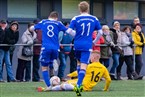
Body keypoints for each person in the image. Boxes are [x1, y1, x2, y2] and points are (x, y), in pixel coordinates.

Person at [66, 1, 103, 96]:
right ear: (88, 8)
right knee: (84, 65)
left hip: (77, 44)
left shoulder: (76, 18)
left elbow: (69, 30)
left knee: (78, 63)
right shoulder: (94, 18)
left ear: (79, 9)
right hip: (87, 45)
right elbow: (100, 32)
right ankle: (78, 87)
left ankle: (79, 82)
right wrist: (94, 42)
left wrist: (77, 35)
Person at [37, 50, 111, 94]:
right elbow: (109, 80)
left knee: (64, 85)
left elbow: (79, 72)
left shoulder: (89, 66)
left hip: (82, 85)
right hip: (88, 87)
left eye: (90, 57)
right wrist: (105, 88)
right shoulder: (103, 68)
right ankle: (50, 87)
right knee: (65, 83)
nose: (89, 58)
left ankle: (48, 88)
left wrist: (70, 74)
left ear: (94, 57)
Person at [30, 11, 68, 90]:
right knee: (50, 62)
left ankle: (48, 86)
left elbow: (32, 28)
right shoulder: (59, 23)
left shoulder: (44, 22)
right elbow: (67, 31)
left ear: (49, 16)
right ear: (56, 18)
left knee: (44, 67)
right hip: (55, 48)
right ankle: (52, 62)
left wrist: (33, 28)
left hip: (46, 47)